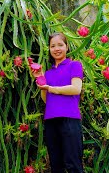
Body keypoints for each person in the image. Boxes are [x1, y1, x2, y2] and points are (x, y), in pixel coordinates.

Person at [33, 32, 84, 173]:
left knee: (73, 164)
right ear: (49, 49)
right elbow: (46, 99)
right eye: (53, 46)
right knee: (56, 166)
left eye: (60, 45)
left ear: (67, 47)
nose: (56, 49)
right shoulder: (48, 73)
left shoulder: (75, 65)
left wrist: (51, 88)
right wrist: (41, 80)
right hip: (50, 120)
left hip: (70, 119)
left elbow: (76, 89)